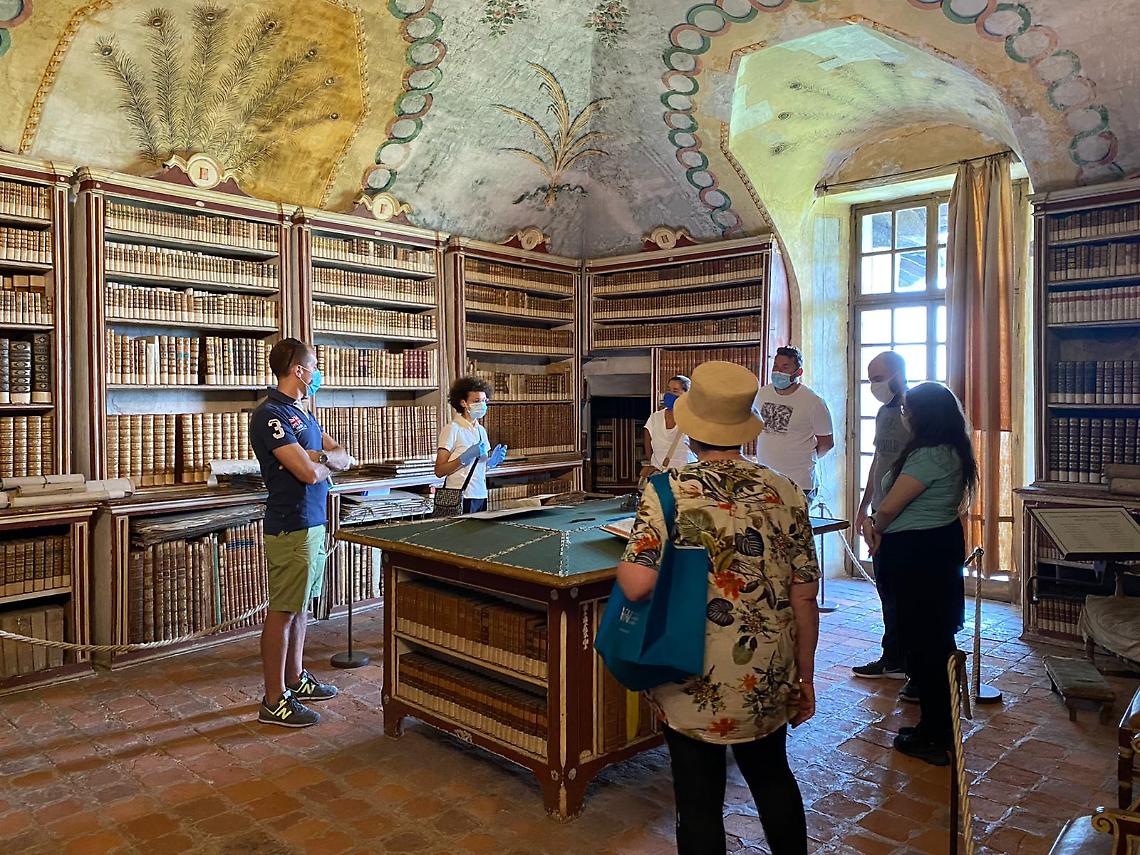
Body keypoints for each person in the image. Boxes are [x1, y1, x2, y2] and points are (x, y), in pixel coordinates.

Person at [616, 360, 820, 855]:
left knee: (698, 799)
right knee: (774, 779)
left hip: (692, 668)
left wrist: (631, 559)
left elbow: (638, 585)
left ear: (690, 424)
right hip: (767, 669)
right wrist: (805, 677)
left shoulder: (666, 491)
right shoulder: (786, 491)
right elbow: (804, 594)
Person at [860, 382, 976, 767]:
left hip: (916, 553)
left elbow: (892, 504)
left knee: (924, 642)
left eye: (909, 410)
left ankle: (934, 732)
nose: (904, 416)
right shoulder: (950, 448)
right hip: (931, 547)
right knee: (931, 639)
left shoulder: (929, 455)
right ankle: (936, 725)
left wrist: (874, 523)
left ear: (924, 416)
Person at [250, 338, 352, 728]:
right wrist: (320, 461)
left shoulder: (301, 413)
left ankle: (295, 678)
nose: (317, 371)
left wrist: (319, 458)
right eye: (314, 365)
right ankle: (273, 699)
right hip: (290, 523)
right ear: (298, 370)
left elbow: (342, 453)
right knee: (283, 611)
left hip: (313, 521)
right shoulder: (271, 414)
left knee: (302, 607)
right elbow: (308, 472)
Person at [852, 351, 912, 692]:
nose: (874, 385)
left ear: (898, 373)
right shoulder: (882, 412)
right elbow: (879, 459)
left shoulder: (915, 412)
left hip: (902, 513)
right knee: (885, 588)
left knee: (901, 591)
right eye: (871, 378)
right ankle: (892, 657)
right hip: (879, 511)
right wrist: (864, 506)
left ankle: (904, 659)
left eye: (879, 377)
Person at [754, 346, 833, 502]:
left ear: (798, 372)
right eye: (776, 366)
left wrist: (803, 457)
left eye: (785, 367)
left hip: (799, 483)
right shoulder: (762, 394)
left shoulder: (813, 402)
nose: (778, 372)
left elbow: (826, 443)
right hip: (766, 480)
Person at [435, 376, 507, 514]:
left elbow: (478, 470)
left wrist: (491, 463)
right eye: (476, 401)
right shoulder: (452, 429)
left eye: (484, 401)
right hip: (461, 495)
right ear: (463, 403)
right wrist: (463, 458)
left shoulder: (481, 430)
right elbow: (439, 471)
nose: (482, 405)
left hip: (480, 494)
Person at [639, 374, 698, 481]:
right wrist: (653, 463)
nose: (669, 394)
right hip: (660, 476)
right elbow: (648, 444)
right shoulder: (655, 418)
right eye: (668, 389)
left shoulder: (694, 419)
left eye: (675, 390)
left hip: (686, 477)